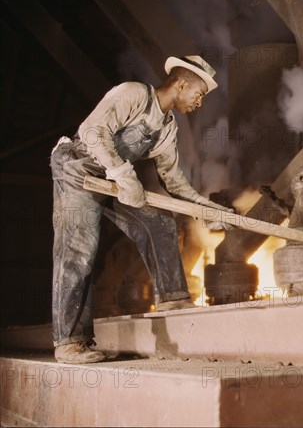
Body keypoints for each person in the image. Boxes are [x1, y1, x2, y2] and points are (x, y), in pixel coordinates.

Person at [50, 55, 231, 364]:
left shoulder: (167, 128)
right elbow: (93, 131)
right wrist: (122, 173)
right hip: (77, 169)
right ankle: (69, 341)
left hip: (113, 180)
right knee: (79, 250)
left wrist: (205, 208)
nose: (199, 103)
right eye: (198, 94)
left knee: (159, 223)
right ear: (181, 83)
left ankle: (173, 299)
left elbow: (173, 181)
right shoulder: (133, 93)